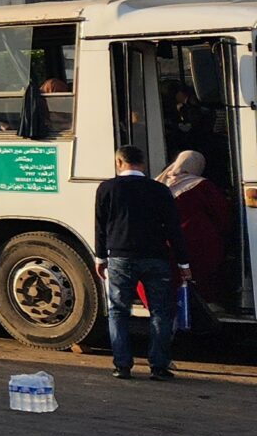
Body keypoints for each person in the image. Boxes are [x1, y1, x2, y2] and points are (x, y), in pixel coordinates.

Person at [95, 142, 184, 380]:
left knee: (118, 311)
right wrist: (183, 263)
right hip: (156, 258)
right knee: (160, 312)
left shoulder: (106, 188)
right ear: (143, 164)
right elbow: (174, 229)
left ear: (119, 162)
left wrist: (100, 257)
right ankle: (159, 366)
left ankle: (122, 366)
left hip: (120, 258)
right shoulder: (160, 190)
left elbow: (100, 227)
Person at [160, 151, 236, 309]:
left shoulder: (160, 184)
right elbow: (221, 213)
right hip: (202, 241)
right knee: (204, 277)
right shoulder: (202, 185)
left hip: (169, 242)